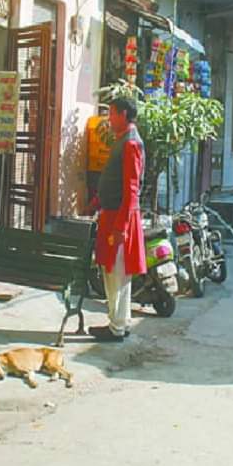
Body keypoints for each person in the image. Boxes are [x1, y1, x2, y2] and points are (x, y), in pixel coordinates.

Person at [90, 98, 146, 342]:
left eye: (111, 113)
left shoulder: (131, 143)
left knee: (117, 272)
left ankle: (116, 326)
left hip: (120, 217)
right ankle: (120, 322)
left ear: (123, 114)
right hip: (112, 213)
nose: (109, 118)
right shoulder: (123, 139)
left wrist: (121, 226)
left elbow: (131, 188)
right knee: (114, 271)